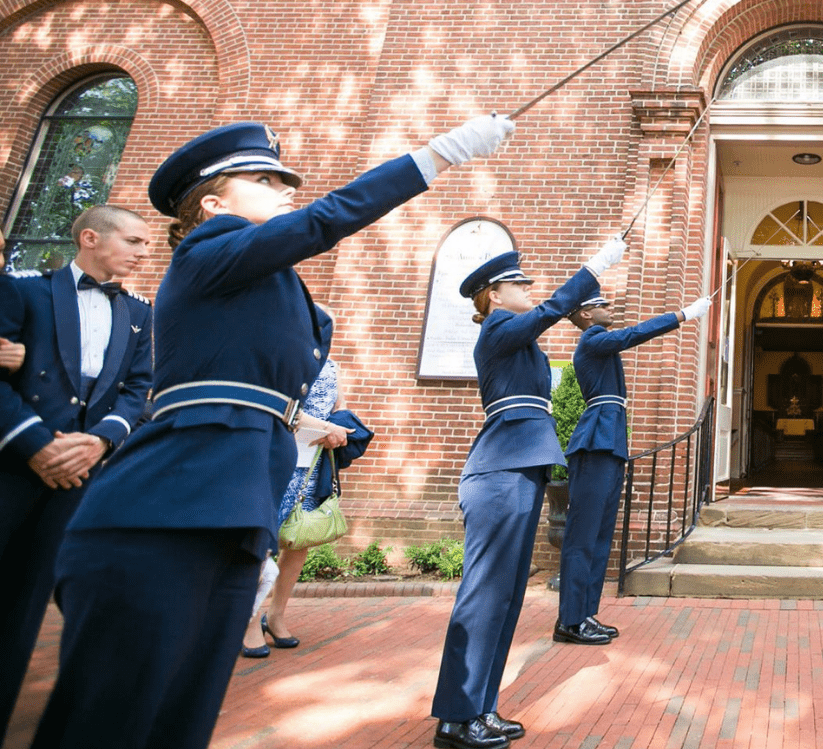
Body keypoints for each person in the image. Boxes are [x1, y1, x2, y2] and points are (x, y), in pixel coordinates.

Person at [29, 115, 513, 749]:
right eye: (265, 177)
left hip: (233, 506)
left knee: (182, 717)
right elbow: (322, 222)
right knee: (112, 722)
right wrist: (438, 155)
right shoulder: (209, 251)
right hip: (162, 509)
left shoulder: (260, 274)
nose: (288, 185)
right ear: (212, 202)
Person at [430, 240, 625, 749]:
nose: (527, 289)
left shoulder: (520, 343)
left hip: (522, 467)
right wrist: (596, 266)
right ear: (493, 296)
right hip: (499, 470)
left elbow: (544, 320)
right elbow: (552, 309)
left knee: (507, 597)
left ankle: (481, 707)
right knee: (484, 597)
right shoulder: (498, 330)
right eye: (517, 284)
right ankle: (456, 716)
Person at [0, 205, 153, 739]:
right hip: (13, 467)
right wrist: (36, 445)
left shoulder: (139, 313)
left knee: (21, 615)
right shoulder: (24, 292)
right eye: (134, 241)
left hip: (78, 476)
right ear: (91, 237)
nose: (142, 253)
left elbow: (139, 390)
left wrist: (99, 442)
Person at [554, 289, 710, 644]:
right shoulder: (593, 339)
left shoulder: (598, 340)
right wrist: (684, 315)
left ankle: (584, 615)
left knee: (600, 535)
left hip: (609, 441)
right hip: (596, 442)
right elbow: (634, 335)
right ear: (585, 315)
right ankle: (569, 620)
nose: (609, 308)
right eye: (601, 304)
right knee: (583, 536)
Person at [240, 313, 364, 660]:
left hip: (312, 466)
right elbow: (280, 410)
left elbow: (340, 405)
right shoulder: (280, 360)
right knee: (264, 543)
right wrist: (325, 427)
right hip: (275, 462)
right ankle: (249, 621)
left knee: (298, 541)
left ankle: (276, 615)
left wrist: (340, 427)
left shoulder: (333, 366)